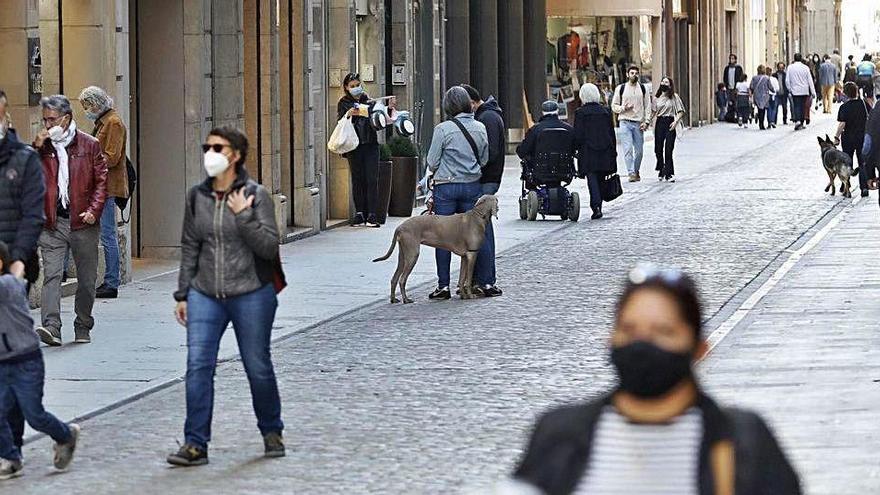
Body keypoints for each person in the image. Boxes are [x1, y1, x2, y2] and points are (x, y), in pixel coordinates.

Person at [504, 265, 802, 495]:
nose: (643, 344)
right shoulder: (560, 435)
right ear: (611, 338)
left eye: (663, 332)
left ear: (699, 348)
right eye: (629, 330)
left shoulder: (743, 442)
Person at [169, 126, 285, 466]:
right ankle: (195, 444)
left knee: (257, 365)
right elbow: (190, 245)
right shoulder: (197, 196)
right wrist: (183, 293)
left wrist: (243, 215)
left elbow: (268, 246)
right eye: (208, 147)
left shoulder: (255, 194)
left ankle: (271, 430)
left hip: (251, 293)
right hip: (205, 293)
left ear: (234, 154)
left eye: (217, 148)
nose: (210, 153)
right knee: (197, 366)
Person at [0, 241, 80, 481]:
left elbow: (13, 278)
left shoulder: (8, 286)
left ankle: (65, 435)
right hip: (3, 364)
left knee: (33, 414)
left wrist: (18, 267)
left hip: (26, 361)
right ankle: (11, 457)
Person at [33, 95, 107, 346]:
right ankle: (52, 326)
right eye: (44, 120)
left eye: (51, 119)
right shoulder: (43, 148)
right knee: (52, 276)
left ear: (66, 119)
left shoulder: (89, 145)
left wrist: (93, 211)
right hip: (53, 222)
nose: (47, 125)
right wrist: (36, 148)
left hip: (83, 222)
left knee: (86, 280)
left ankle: (83, 324)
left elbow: (101, 182)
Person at [0, 89, 46, 477]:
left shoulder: (25, 160)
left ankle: (10, 448)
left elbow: (33, 215)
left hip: (11, 271)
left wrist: (16, 264)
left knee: (10, 355)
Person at [424, 86, 491, 301]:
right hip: (472, 185)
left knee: (442, 236)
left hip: (446, 187)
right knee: (478, 235)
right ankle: (484, 281)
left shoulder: (442, 129)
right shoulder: (480, 127)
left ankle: (443, 285)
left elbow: (432, 161)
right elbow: (484, 158)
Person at [79, 86, 127, 299]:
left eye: (87, 105)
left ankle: (111, 281)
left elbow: (112, 157)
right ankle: (108, 280)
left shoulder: (113, 123)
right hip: (100, 185)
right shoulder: (103, 122)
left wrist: (89, 163)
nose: (86, 110)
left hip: (107, 186)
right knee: (103, 233)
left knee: (108, 234)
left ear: (97, 103)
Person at [461, 84, 503, 297]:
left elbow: (491, 153)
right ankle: (484, 279)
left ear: (470, 102)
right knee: (482, 228)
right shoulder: (490, 115)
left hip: (486, 180)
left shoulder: (486, 118)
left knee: (482, 230)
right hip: (489, 179)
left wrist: (474, 167)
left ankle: (485, 280)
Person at [337, 73, 381, 228]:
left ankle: (372, 214)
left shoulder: (369, 101)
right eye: (352, 86)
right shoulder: (344, 103)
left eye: (357, 85)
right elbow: (340, 122)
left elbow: (379, 122)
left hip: (370, 144)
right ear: (346, 88)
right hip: (353, 146)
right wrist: (350, 113)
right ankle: (359, 212)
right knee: (357, 179)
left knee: (371, 179)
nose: (356, 88)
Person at [573, 84, 616, 220]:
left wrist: (575, 148)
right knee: (601, 178)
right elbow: (611, 132)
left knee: (592, 179)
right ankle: (599, 204)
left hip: (588, 151)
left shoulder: (580, 113)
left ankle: (596, 206)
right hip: (605, 150)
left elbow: (578, 135)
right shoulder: (606, 111)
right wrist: (613, 151)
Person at [611, 65, 651, 182]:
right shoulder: (621, 88)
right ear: (628, 75)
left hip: (638, 123)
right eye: (632, 73)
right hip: (624, 122)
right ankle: (631, 173)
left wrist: (647, 121)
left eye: (636, 73)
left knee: (639, 151)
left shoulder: (643, 89)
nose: (634, 75)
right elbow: (614, 106)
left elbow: (647, 106)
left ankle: (636, 170)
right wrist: (623, 108)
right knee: (627, 149)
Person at [835, 82, 873, 197]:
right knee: (862, 162)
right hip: (862, 137)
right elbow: (871, 118)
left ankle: (846, 185)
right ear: (856, 91)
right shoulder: (864, 104)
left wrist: (836, 137)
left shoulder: (844, 107)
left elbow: (842, 124)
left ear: (845, 93)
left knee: (847, 162)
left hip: (848, 139)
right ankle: (864, 188)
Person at [650, 77, 686, 181]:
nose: (664, 83)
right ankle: (661, 168)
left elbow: (681, 111)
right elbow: (653, 113)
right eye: (663, 81)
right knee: (658, 149)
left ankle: (669, 173)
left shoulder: (674, 97)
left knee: (669, 149)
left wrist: (675, 122)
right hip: (660, 123)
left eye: (666, 82)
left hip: (670, 123)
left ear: (670, 85)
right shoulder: (656, 99)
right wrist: (647, 122)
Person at [787, 54, 817, 130]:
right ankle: (801, 121)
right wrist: (813, 92)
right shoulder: (805, 68)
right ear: (801, 59)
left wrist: (789, 88)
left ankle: (797, 120)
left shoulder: (790, 67)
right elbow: (810, 80)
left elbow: (787, 80)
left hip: (795, 90)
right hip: (804, 90)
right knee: (803, 106)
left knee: (796, 105)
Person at [750, 66, 772, 130]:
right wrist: (773, 90)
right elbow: (770, 86)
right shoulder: (767, 78)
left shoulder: (754, 78)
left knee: (760, 109)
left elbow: (751, 86)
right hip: (765, 95)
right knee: (763, 109)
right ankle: (761, 123)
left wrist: (751, 93)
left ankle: (760, 120)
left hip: (757, 95)